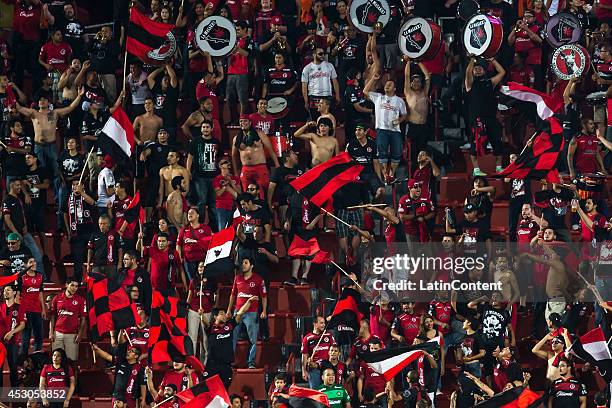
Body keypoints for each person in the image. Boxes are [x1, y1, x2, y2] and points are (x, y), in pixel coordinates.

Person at [464, 57, 506, 176]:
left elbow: (502, 72)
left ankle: (499, 167)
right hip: (477, 120)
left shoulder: (490, 82)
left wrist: (493, 60)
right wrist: (472, 60)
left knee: (497, 143)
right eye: (475, 69)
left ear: (484, 70)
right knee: (474, 145)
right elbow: (468, 72)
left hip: (491, 118)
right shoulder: (470, 84)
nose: (477, 70)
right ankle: (476, 170)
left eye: (480, 68)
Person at [363, 74, 408, 181]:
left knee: (397, 152)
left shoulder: (399, 101)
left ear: (395, 88)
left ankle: (391, 173)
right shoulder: (378, 97)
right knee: (382, 152)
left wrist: (399, 120)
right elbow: (365, 91)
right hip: (381, 129)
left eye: (390, 85)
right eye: (386, 84)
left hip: (395, 130)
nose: (387, 86)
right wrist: (373, 79)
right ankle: (384, 174)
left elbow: (404, 114)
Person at [226, 257, 267, 369]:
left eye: (246, 263)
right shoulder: (237, 278)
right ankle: (230, 361)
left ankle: (251, 362)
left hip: (252, 312)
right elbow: (233, 295)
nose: (243, 265)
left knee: (253, 339)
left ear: (251, 265)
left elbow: (263, 296)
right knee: (232, 336)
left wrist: (263, 310)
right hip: (237, 312)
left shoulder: (258, 279)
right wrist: (229, 310)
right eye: (242, 263)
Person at [2, 178, 44, 274]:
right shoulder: (7, 200)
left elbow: (22, 214)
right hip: (13, 236)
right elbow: (7, 219)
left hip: (23, 233)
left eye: (20, 185)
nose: (20, 187)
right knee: (16, 259)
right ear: (11, 186)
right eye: (17, 185)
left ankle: (41, 278)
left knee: (36, 255)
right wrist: (16, 233)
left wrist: (25, 226)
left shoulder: (18, 199)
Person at [91, 343, 146, 408]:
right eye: (128, 350)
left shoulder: (140, 368)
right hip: (117, 396)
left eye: (131, 351)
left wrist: (143, 399)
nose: (128, 352)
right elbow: (107, 356)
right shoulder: (120, 362)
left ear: (136, 356)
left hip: (130, 398)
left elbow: (143, 385)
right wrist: (97, 349)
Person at [186, 120, 220, 224]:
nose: (205, 129)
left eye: (207, 127)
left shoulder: (216, 142)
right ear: (201, 129)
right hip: (200, 177)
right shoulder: (195, 142)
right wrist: (188, 171)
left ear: (211, 128)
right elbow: (190, 157)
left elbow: (221, 158)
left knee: (213, 203)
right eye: (203, 127)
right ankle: (200, 225)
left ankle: (214, 228)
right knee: (201, 202)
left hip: (214, 177)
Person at [49, 279, 85, 362]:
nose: (74, 288)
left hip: (72, 335)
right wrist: (51, 332)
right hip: (57, 334)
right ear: (66, 285)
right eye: (72, 285)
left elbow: (83, 319)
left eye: (76, 286)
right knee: (56, 361)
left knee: (71, 361)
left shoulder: (81, 300)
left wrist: (80, 334)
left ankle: (72, 375)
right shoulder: (57, 298)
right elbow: (53, 316)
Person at [404, 59, 431, 162]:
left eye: (418, 81)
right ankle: (413, 174)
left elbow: (427, 77)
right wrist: (408, 62)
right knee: (413, 153)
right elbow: (406, 76)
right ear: (410, 84)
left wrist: (419, 62)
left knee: (423, 152)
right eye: (414, 81)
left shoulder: (424, 92)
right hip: (413, 126)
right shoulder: (408, 93)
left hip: (424, 126)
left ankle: (423, 173)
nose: (416, 83)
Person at [301, 47, 341, 119]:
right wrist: (306, 101)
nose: (322, 55)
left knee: (328, 119)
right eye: (320, 54)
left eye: (324, 54)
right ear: (314, 55)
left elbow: (335, 81)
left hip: (327, 96)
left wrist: (337, 95)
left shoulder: (329, 65)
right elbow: (304, 86)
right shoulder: (307, 68)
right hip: (314, 96)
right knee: (315, 119)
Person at [18, 257, 47, 355]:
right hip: (25, 310)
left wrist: (43, 309)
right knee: (26, 338)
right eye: (31, 262)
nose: (34, 263)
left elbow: (40, 293)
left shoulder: (40, 276)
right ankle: (22, 362)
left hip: (37, 310)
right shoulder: (21, 277)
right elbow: (17, 294)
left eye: (34, 261)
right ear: (26, 265)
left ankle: (36, 361)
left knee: (39, 337)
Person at [177, 207, 212, 281]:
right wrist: (179, 258)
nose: (189, 214)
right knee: (192, 282)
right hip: (189, 260)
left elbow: (210, 243)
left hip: (203, 259)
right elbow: (178, 244)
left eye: (192, 213)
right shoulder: (184, 229)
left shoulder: (206, 229)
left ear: (198, 215)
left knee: (204, 280)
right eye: (188, 213)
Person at [0, 284, 25, 387]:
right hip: (0, 343)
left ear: (14, 293)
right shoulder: (0, 306)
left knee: (13, 367)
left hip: (13, 342)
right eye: (4, 290)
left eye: (8, 290)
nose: (5, 292)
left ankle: (14, 393)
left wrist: (12, 332)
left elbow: (22, 325)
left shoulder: (19, 307)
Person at [302, 316, 337, 389]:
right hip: (314, 369)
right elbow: (304, 355)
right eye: (321, 323)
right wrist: (304, 370)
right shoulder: (307, 338)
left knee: (328, 392)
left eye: (324, 323)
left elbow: (335, 350)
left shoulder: (328, 335)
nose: (324, 325)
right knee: (315, 393)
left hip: (327, 368)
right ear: (315, 324)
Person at [87, 214, 123, 279]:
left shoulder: (115, 234)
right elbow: (90, 250)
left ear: (109, 224)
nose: (102, 226)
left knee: (111, 286)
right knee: (97, 286)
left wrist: (120, 263)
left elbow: (120, 249)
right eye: (100, 224)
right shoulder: (94, 235)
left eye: (104, 224)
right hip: (97, 265)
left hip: (111, 265)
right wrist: (88, 264)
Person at [213, 158, 241, 230]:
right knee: (222, 229)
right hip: (221, 207)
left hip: (234, 206)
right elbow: (218, 194)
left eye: (227, 168)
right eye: (223, 168)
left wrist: (231, 182)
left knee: (233, 229)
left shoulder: (235, 178)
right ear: (220, 167)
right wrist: (225, 186)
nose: (225, 170)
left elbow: (240, 193)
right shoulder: (217, 179)